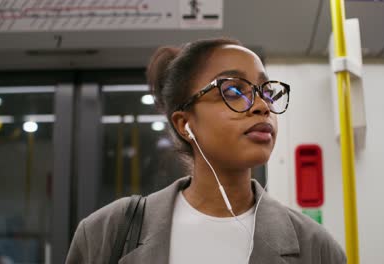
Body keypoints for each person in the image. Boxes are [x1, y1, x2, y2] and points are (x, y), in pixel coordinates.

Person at [66, 37, 346, 264]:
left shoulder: (317, 248)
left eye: (266, 92)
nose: (262, 105)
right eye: (235, 91)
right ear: (185, 123)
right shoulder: (108, 232)